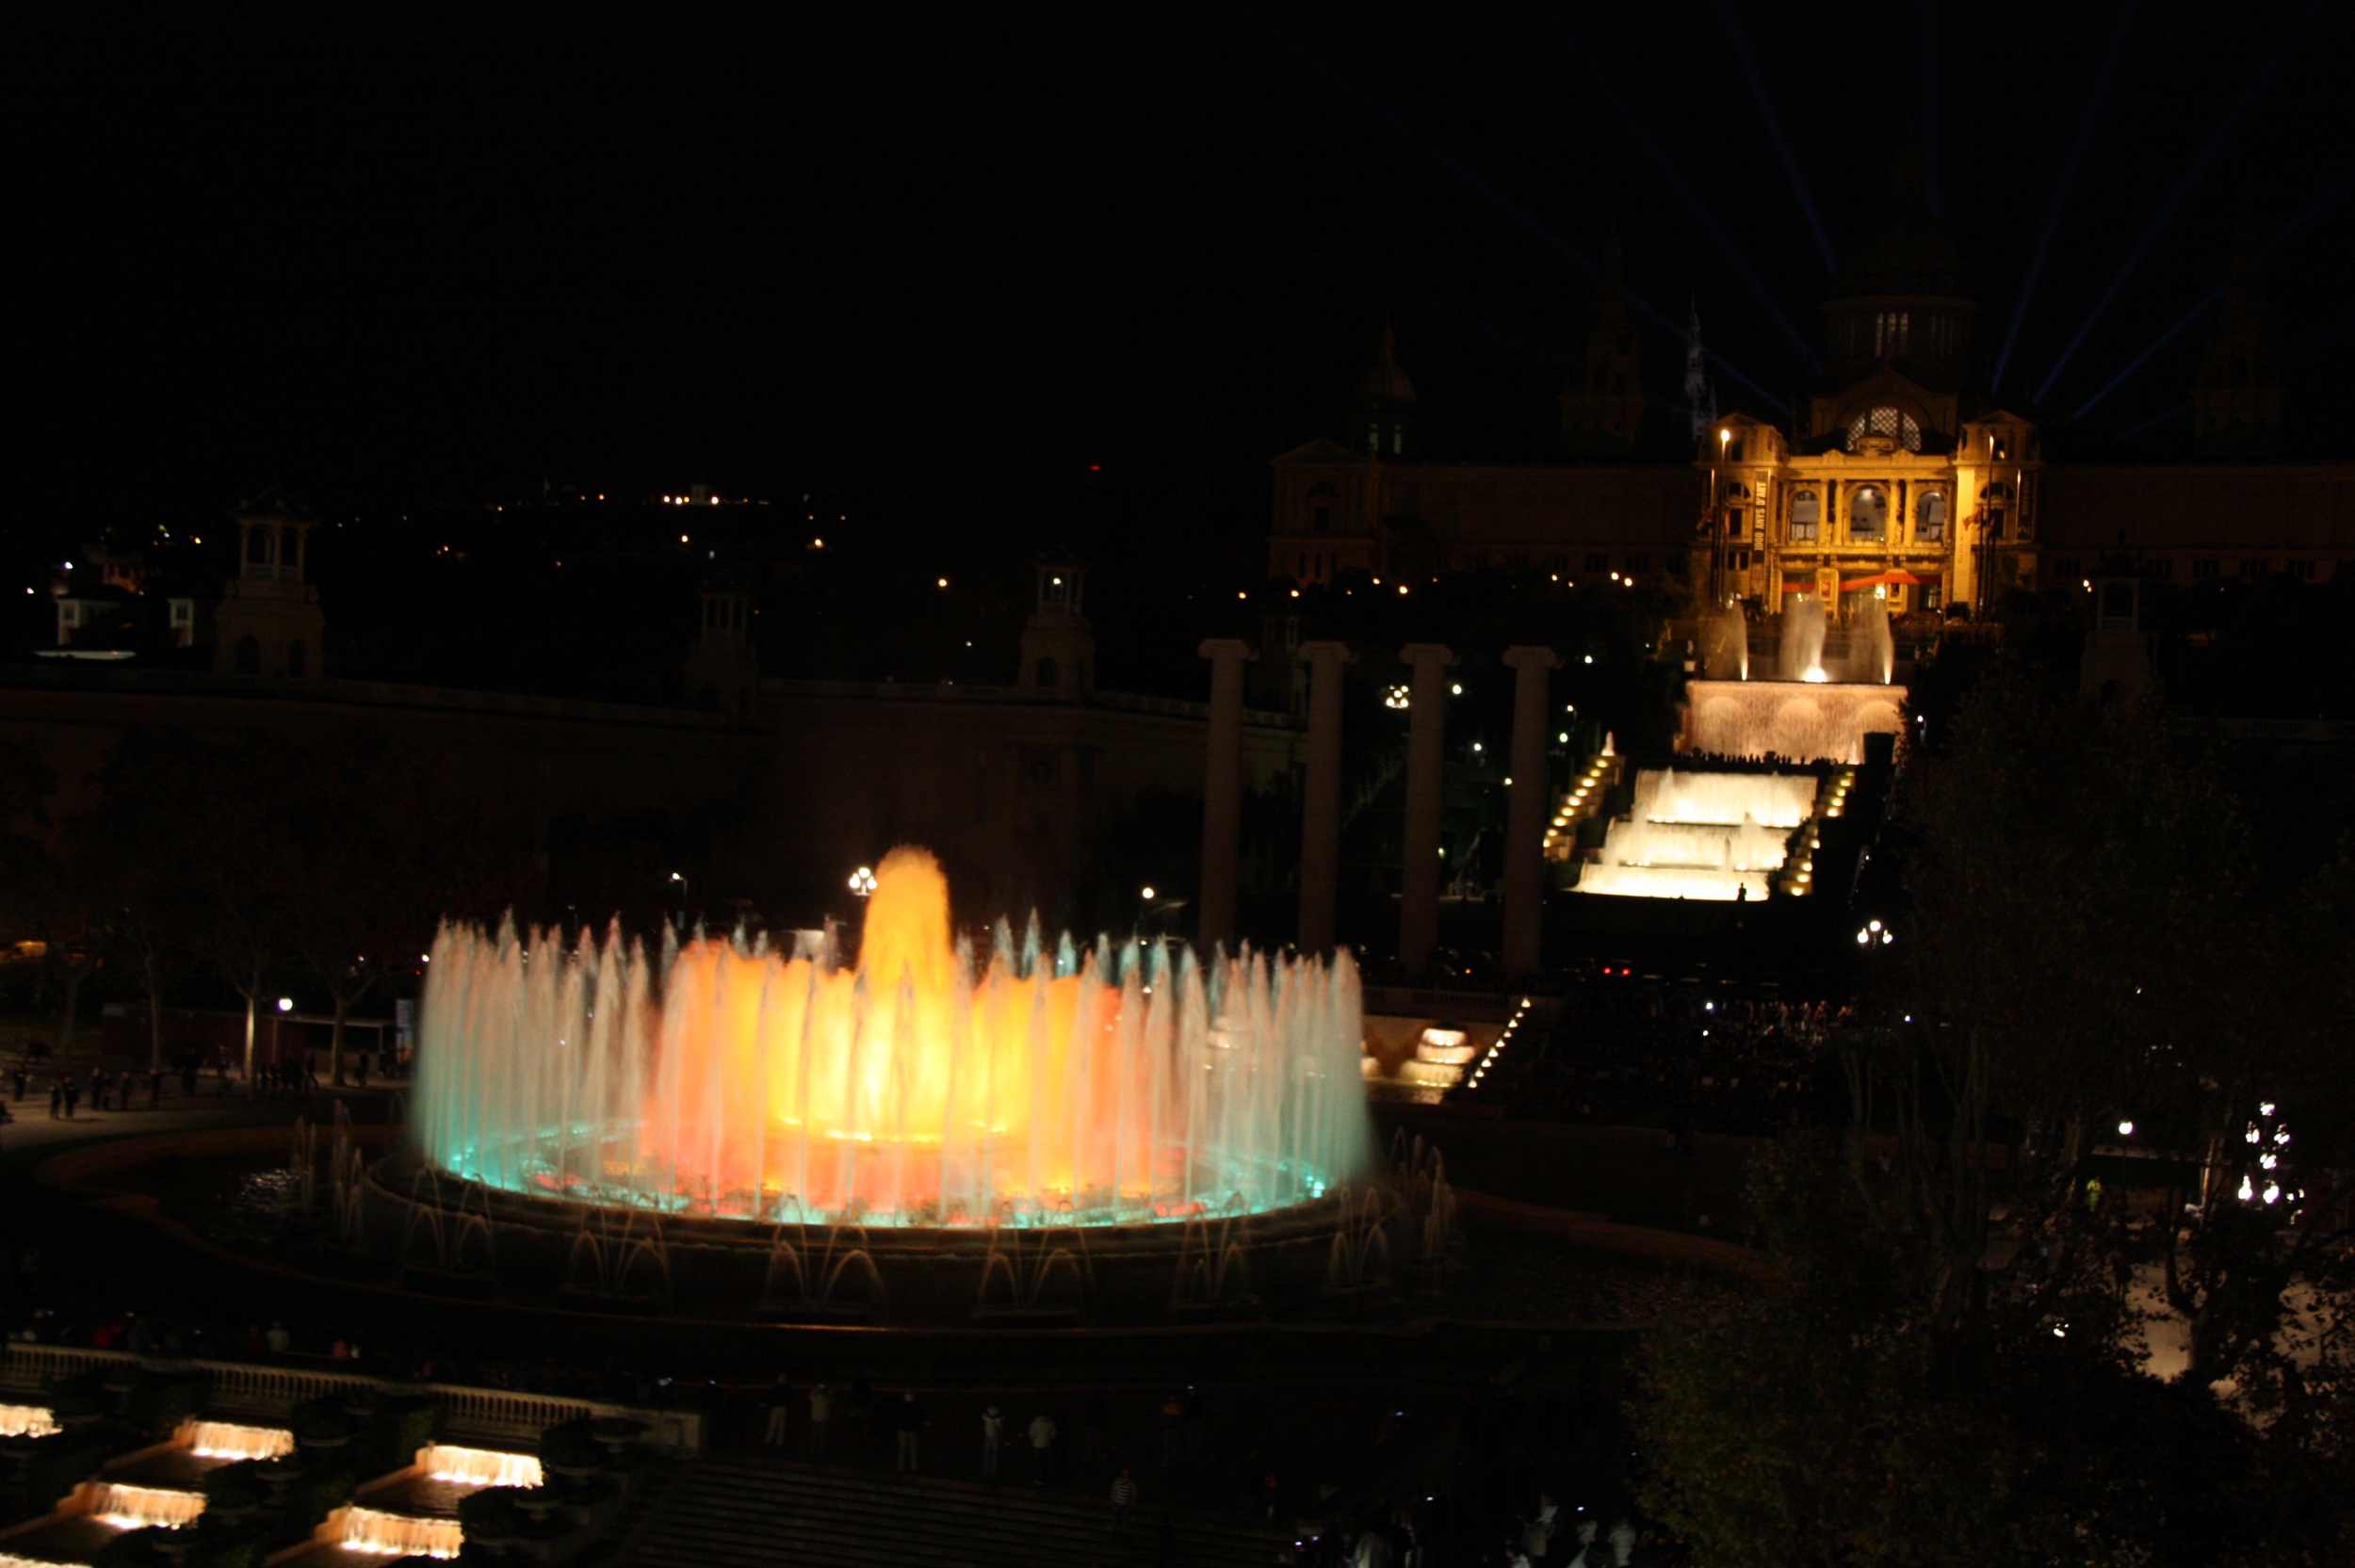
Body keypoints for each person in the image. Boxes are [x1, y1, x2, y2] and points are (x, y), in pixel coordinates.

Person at [892, 1391, 922, 1474]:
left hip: (902, 1431)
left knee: (902, 1449)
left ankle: (900, 1467)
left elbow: (897, 1419)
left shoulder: (901, 1407)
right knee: (913, 1450)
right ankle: (914, 1467)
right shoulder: (916, 1408)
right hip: (912, 1431)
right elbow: (919, 1420)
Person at [1027, 1409, 1057, 1486]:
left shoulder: (1036, 1423)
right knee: (1046, 1463)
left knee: (1038, 1463)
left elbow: (1031, 1434)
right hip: (1047, 1445)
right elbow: (1053, 1435)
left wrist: (1034, 1440)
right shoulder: (1050, 1423)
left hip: (1037, 1445)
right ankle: (1047, 1478)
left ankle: (1039, 1478)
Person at [1110, 1467, 1139, 1538]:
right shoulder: (1118, 1482)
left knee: (1125, 1521)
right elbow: (1114, 1491)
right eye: (1124, 1472)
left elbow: (1134, 1494)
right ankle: (1114, 1534)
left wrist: (1130, 1503)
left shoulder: (1131, 1483)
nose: (1125, 1474)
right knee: (1115, 1521)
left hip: (1126, 1505)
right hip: (1117, 1504)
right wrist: (1114, 1500)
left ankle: (1123, 1535)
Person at [763, 1375, 793, 1447]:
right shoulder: (788, 1388)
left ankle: (769, 1440)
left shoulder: (776, 1388)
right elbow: (790, 1399)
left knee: (773, 1425)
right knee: (782, 1426)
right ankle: (780, 1442)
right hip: (784, 1408)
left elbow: (771, 1397)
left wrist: (768, 1404)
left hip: (776, 1408)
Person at [805, 1382, 832, 1457]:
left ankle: (811, 1450)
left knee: (814, 1435)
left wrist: (816, 1388)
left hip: (815, 1418)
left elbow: (810, 1395)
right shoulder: (826, 1399)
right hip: (823, 1419)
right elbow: (832, 1396)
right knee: (822, 1436)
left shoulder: (815, 1399)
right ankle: (821, 1451)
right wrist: (828, 1390)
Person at [980, 1404, 1004, 1481]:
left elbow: (982, 1419)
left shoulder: (986, 1413)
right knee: (994, 1456)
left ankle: (985, 1473)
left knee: (986, 1455)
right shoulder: (999, 1414)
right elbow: (1001, 1425)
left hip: (987, 1436)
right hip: (996, 1436)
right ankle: (994, 1474)